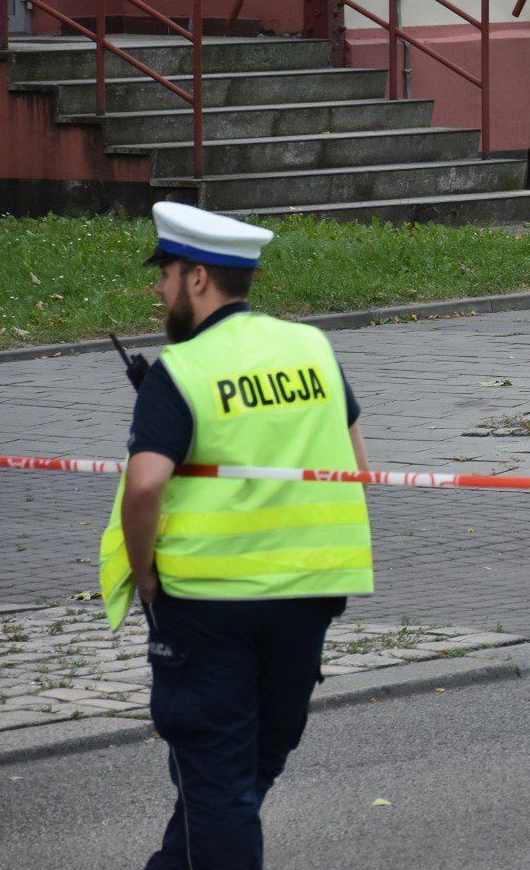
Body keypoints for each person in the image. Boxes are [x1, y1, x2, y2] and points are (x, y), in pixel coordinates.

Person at [99, 202, 375, 870]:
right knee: (242, 772)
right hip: (309, 596)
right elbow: (358, 467)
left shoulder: (182, 370)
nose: (158, 289)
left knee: (219, 783)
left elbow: (143, 487)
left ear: (198, 278)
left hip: (208, 604)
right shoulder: (311, 346)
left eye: (164, 273)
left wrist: (146, 574)